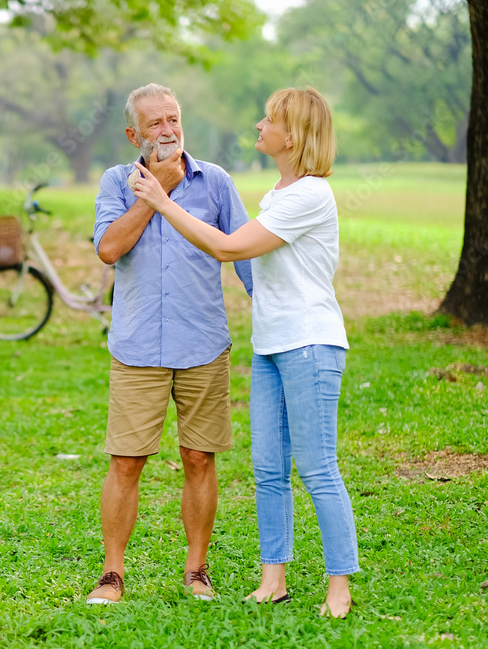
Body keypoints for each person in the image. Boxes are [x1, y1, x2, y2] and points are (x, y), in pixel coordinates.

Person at [130, 86, 358, 618]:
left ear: (293, 136)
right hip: (271, 346)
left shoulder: (310, 195)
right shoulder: (281, 191)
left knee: (318, 469)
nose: (259, 125)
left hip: (310, 344)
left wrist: (162, 202)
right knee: (269, 469)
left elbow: (231, 248)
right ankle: (273, 578)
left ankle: (339, 586)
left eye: (269, 120)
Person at [86, 83, 254, 605]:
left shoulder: (216, 183)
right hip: (136, 347)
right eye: (155, 123)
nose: (168, 130)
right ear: (134, 134)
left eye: (174, 119)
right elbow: (109, 249)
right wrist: (154, 191)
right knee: (126, 462)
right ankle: (112, 575)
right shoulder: (118, 182)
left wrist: (280, 316)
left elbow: (246, 255)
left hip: (203, 343)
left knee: (199, 458)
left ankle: (197, 569)